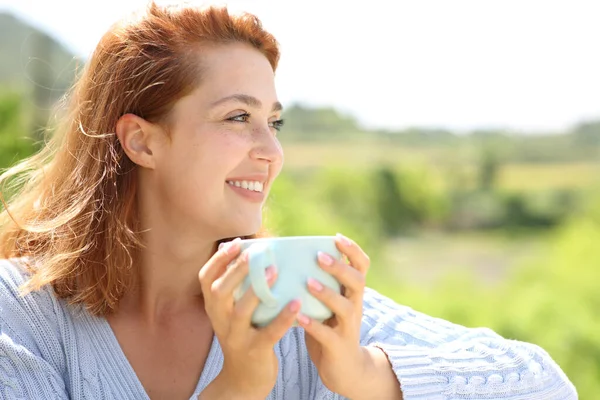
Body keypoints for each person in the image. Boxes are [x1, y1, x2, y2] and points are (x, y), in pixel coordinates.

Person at [0, 2, 576, 400]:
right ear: (141, 140)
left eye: (274, 122)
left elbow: (544, 383)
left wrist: (364, 373)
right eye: (238, 117)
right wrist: (241, 385)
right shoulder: (23, 315)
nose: (271, 150)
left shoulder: (294, 304)